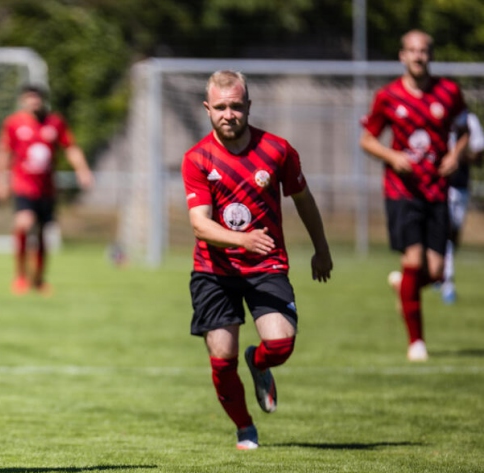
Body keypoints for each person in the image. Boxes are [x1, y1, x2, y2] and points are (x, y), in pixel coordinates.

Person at [181, 70, 332, 450]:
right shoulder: (197, 159)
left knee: (281, 345)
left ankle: (260, 362)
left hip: (266, 266)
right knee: (222, 358)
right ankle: (245, 427)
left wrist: (322, 248)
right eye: (220, 107)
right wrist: (241, 240)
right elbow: (200, 226)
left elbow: (304, 200)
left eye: (235, 106)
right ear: (207, 108)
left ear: (248, 106)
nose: (228, 114)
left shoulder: (278, 150)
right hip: (214, 272)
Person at [360, 30, 469, 362]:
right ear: (402, 56)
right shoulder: (388, 96)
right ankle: (416, 343)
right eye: (412, 50)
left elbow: (464, 131)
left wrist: (456, 155)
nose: (418, 56)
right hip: (402, 191)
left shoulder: (449, 92)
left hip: (437, 191)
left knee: (435, 272)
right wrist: (392, 157)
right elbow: (368, 139)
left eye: (423, 51)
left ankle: (403, 285)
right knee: (413, 260)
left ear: (430, 55)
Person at [0, 85, 94, 295]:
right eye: (29, 98)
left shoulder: (55, 122)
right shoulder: (14, 123)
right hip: (23, 185)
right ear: (23, 101)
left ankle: (38, 280)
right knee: (24, 223)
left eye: (37, 98)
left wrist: (83, 171)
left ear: (43, 100)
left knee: (41, 234)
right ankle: (20, 276)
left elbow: (71, 148)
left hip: (46, 189)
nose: (34, 102)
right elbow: (3, 152)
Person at [440, 111, 483, 304]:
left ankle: (440, 270)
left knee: (454, 235)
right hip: (440, 186)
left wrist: (458, 157)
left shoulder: (468, 119)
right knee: (445, 232)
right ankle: (447, 281)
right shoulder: (435, 113)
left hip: (461, 186)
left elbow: (478, 154)